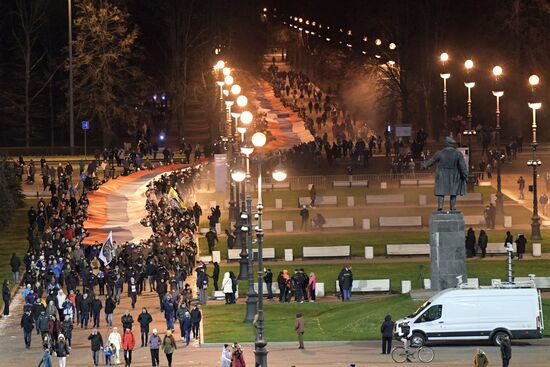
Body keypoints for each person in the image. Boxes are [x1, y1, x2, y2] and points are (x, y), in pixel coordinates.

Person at [421, 136, 468, 211]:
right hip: (454, 176)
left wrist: (424, 166)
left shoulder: (440, 153)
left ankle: (440, 206)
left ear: (446, 143)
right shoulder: (458, 154)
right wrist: (466, 176)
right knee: (453, 192)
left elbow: (431, 161)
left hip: (442, 175)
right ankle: (453, 207)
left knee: (441, 191)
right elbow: (463, 167)